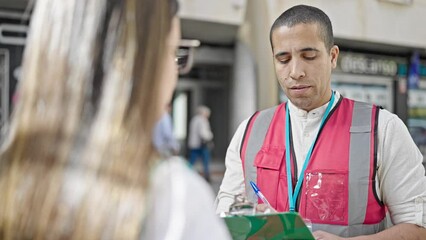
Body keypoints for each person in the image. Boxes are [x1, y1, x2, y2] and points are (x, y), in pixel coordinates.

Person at [0, 0, 231, 239]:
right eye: (173, 54)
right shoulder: (173, 198)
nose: (175, 75)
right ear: (133, 61)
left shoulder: (10, 180)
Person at [216, 4, 426, 239]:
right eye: (283, 59)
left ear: (333, 56)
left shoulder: (383, 129)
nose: (295, 71)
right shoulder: (250, 130)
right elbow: (224, 211)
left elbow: (419, 229)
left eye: (309, 56)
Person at [188, 105, 214, 181]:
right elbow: (203, 133)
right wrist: (210, 137)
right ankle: (207, 175)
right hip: (202, 144)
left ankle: (187, 172)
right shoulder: (202, 120)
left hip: (194, 144)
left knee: (192, 160)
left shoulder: (194, 119)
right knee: (206, 160)